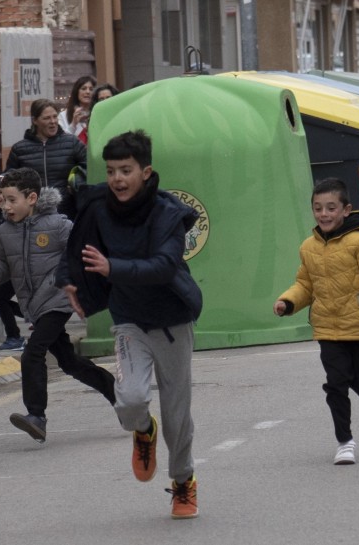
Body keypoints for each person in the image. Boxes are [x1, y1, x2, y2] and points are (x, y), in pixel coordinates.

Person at [57, 129, 204, 519]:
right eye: (111, 171)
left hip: (172, 320)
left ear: (146, 171)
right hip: (129, 321)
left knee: (177, 414)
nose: (118, 179)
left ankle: (183, 483)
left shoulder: (167, 213)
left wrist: (112, 267)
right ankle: (143, 429)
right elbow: (76, 247)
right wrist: (69, 279)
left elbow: (164, 266)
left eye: (126, 170)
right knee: (131, 399)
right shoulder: (98, 207)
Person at [0, 168, 116, 442]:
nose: (6, 205)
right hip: (33, 305)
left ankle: (36, 415)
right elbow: (4, 264)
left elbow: (82, 253)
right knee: (70, 362)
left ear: (32, 198)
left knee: (33, 353)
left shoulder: (59, 225)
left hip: (57, 299)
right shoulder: (5, 230)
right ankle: (118, 395)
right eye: (3, 199)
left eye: (12, 199)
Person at [273, 177, 359, 465]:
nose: (324, 214)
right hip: (328, 329)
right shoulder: (308, 247)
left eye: (330, 208)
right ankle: (344, 441)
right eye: (318, 208)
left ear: (346, 209)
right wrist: (288, 301)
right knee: (335, 383)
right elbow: (305, 284)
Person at [5, 98, 86, 218]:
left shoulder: (72, 143)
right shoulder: (19, 149)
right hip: (32, 215)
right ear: (35, 121)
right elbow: (8, 178)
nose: (53, 121)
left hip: (67, 213)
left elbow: (88, 168)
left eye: (55, 117)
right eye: (47, 118)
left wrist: (76, 184)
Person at [0, 175, 26, 350]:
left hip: (16, 266)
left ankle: (14, 336)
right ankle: (33, 317)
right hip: (9, 267)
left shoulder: (12, 215)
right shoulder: (2, 215)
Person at [60, 75, 96, 139]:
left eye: (91, 89)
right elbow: (62, 141)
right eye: (84, 89)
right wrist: (73, 124)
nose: (88, 92)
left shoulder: (97, 114)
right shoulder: (63, 115)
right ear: (76, 92)